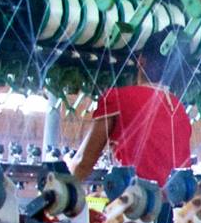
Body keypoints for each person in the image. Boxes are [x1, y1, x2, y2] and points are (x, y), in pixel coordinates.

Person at [70, 25, 194, 191]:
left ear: (140, 61)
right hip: (169, 210)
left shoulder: (117, 99)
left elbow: (83, 164)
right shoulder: (179, 110)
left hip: (132, 206)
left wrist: (60, 193)